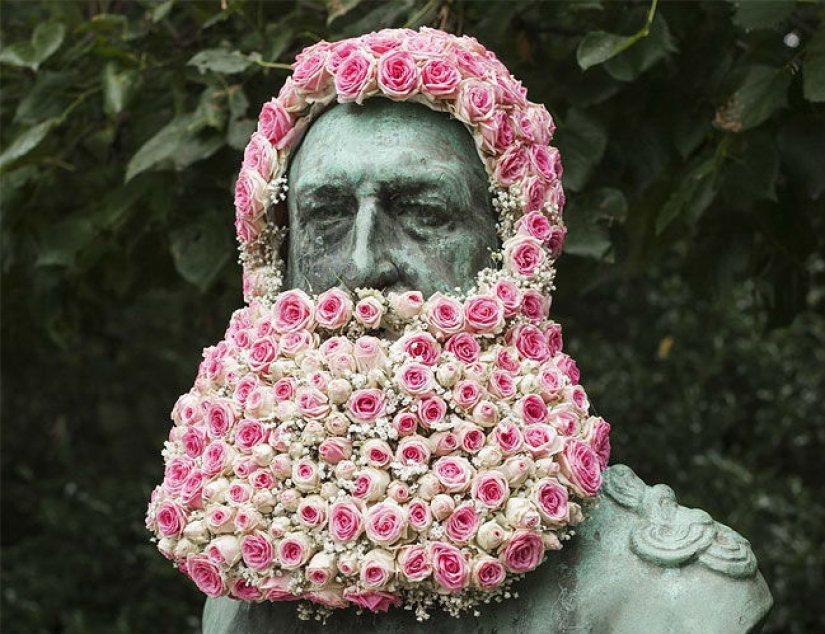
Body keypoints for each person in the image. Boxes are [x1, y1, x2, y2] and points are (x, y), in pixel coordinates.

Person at [202, 95, 772, 634]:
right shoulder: (235, 581)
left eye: (424, 212)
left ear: (509, 255)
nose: (362, 264)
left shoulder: (670, 596)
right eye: (326, 216)